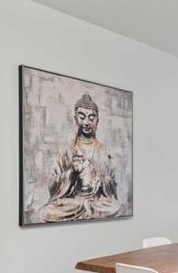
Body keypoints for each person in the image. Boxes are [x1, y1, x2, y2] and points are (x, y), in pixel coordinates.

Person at [38, 93, 122, 221]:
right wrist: (72, 173)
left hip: (96, 202)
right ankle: (86, 211)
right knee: (46, 212)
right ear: (75, 119)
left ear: (97, 121)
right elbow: (52, 184)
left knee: (116, 207)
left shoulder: (104, 151)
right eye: (82, 117)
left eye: (91, 118)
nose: (86, 123)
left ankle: (89, 210)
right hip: (73, 203)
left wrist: (99, 179)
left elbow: (112, 184)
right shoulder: (66, 150)